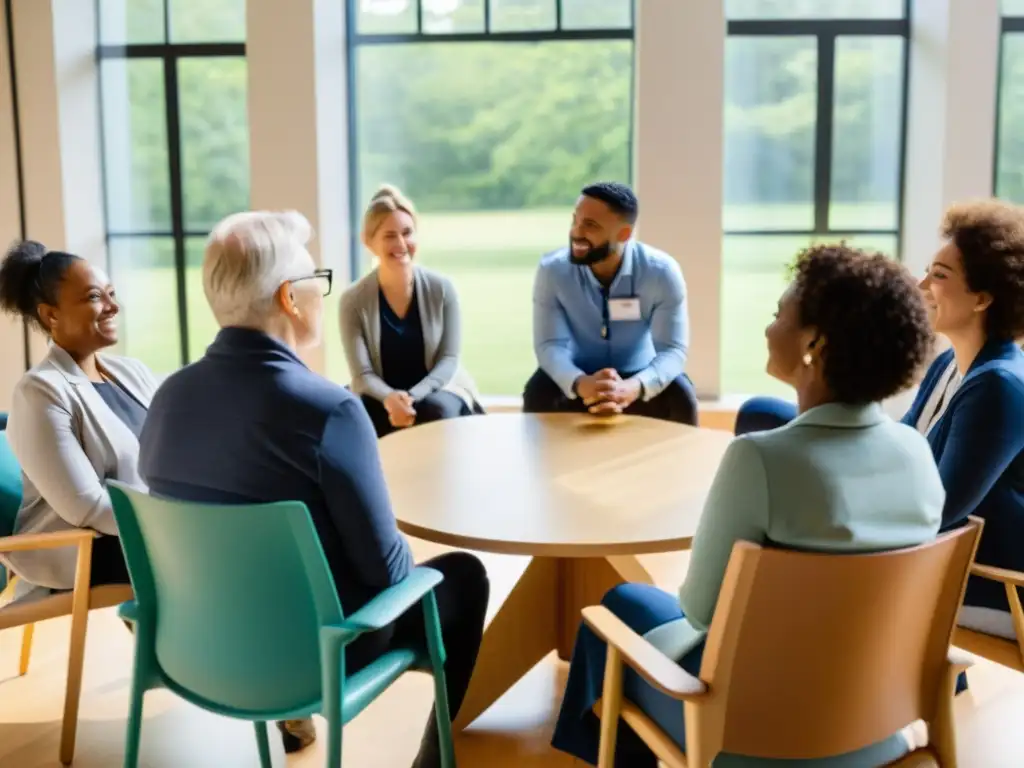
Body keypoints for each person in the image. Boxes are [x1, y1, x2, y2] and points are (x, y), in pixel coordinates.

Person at [552, 244, 943, 767]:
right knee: (633, 605)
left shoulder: (762, 459)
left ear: (813, 343)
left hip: (756, 734)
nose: (768, 328)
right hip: (877, 726)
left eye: (779, 314)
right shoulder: (916, 452)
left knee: (614, 610)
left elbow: (701, 610)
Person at [138, 211, 489, 766]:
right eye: (316, 280)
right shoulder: (327, 410)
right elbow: (387, 573)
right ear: (290, 299)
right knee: (463, 576)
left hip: (197, 647)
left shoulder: (167, 398)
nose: (323, 293)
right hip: (314, 655)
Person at [735, 201, 1024, 646]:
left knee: (788, 466)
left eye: (940, 276)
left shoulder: (999, 387)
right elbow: (903, 444)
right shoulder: (950, 362)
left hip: (985, 580)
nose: (921, 285)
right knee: (764, 416)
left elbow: (938, 514)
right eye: (928, 271)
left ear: (984, 298)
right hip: (920, 537)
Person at [0, 241, 159, 594]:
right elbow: (86, 508)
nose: (113, 306)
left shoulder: (132, 372)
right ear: (50, 315)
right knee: (208, 561)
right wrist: (173, 526)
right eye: (93, 297)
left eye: (111, 294)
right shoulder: (39, 392)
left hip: (143, 534)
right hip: (86, 549)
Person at [523, 181, 698, 425]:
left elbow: (673, 350)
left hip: (639, 380)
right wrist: (580, 383)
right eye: (575, 220)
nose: (576, 232)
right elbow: (549, 345)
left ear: (624, 234)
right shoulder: (552, 271)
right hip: (579, 379)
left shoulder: (661, 272)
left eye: (590, 225)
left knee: (681, 394)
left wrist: (633, 387)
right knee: (538, 390)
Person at [341, 185, 482, 438]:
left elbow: (448, 360)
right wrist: (390, 398)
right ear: (368, 241)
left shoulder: (443, 289)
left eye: (407, 233)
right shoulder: (352, 300)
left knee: (435, 411)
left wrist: (411, 397)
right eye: (389, 236)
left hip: (437, 389)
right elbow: (361, 375)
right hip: (377, 394)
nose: (401, 243)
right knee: (351, 419)